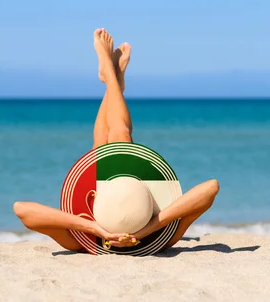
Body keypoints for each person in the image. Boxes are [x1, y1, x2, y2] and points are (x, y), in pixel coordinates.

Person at [13, 28, 219, 252]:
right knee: (120, 134)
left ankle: (111, 76)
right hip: (143, 219)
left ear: (95, 199)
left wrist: (94, 228)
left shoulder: (84, 241)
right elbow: (211, 188)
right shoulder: (161, 239)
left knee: (104, 141)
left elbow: (22, 209)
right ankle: (112, 78)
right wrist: (149, 228)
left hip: (98, 224)